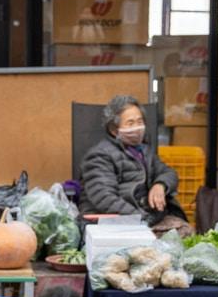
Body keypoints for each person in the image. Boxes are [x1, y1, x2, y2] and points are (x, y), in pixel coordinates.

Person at [80, 95, 192, 235]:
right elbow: (105, 198)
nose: (137, 128)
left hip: (147, 217)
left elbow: (168, 172)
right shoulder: (99, 155)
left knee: (185, 232)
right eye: (130, 123)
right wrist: (140, 220)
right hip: (116, 221)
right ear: (114, 129)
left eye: (140, 122)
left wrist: (160, 185)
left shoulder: (144, 150)